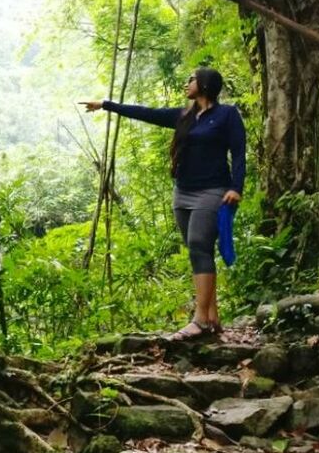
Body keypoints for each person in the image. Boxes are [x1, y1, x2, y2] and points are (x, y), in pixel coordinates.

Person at [82, 67, 245, 339]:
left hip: (213, 191)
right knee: (198, 252)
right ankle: (213, 315)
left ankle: (200, 319)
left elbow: (239, 153)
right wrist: (107, 105)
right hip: (183, 193)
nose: (187, 83)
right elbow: (147, 112)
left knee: (198, 245)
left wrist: (236, 188)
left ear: (204, 84)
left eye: (191, 79)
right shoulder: (184, 116)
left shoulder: (227, 115)